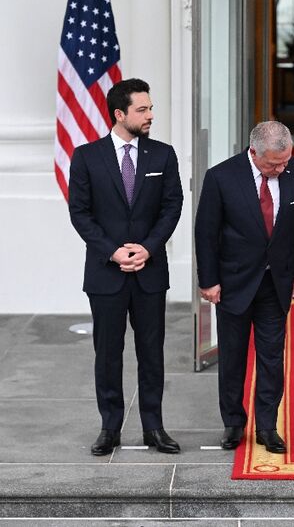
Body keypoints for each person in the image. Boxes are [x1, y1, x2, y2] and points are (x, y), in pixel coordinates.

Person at [68, 78, 184, 456]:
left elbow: (172, 206)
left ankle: (154, 427)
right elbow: (80, 214)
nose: (150, 115)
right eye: (143, 109)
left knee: (152, 352)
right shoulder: (86, 157)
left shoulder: (163, 155)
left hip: (150, 272)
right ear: (120, 114)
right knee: (108, 353)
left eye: (151, 108)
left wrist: (148, 248)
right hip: (106, 273)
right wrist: (113, 252)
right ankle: (110, 428)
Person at [194, 121, 294, 454]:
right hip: (232, 283)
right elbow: (206, 233)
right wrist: (209, 281)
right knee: (232, 358)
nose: (280, 168)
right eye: (273, 164)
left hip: (275, 283)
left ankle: (267, 426)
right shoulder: (221, 177)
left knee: (272, 359)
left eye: (285, 161)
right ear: (253, 153)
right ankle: (233, 424)